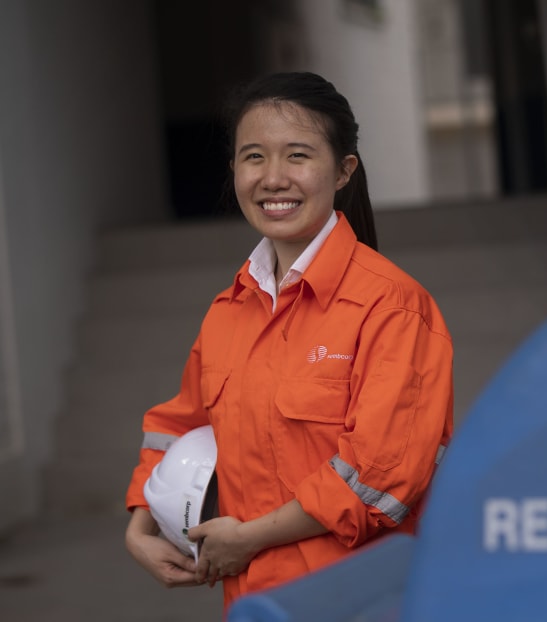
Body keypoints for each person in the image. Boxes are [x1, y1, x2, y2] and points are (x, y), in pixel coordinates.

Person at [124, 71, 454, 612]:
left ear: (344, 170)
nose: (273, 178)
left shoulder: (392, 306)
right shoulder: (229, 309)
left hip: (360, 601)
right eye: (253, 157)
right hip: (256, 603)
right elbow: (179, 424)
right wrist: (142, 526)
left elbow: (378, 480)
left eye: (297, 155)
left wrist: (247, 539)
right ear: (234, 169)